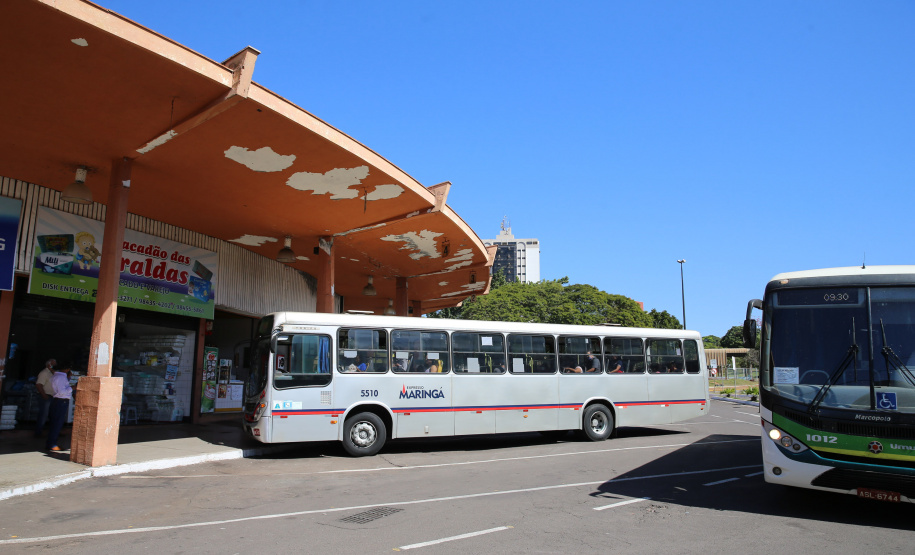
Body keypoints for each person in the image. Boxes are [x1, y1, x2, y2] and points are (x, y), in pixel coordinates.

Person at [46, 361, 73, 452]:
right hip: (61, 401)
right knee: (57, 423)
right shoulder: (61, 377)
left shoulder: (57, 376)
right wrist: (72, 388)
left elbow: (61, 386)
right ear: (67, 369)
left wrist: (68, 378)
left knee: (55, 422)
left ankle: (51, 443)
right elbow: (62, 391)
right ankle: (52, 444)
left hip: (58, 401)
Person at [34, 358, 57, 437]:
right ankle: (38, 432)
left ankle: (52, 432)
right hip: (46, 396)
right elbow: (38, 384)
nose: (55, 365)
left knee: (52, 415)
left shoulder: (53, 373)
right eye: (53, 363)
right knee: (43, 415)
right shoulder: (44, 373)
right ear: (49, 364)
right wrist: (44, 395)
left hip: (52, 396)